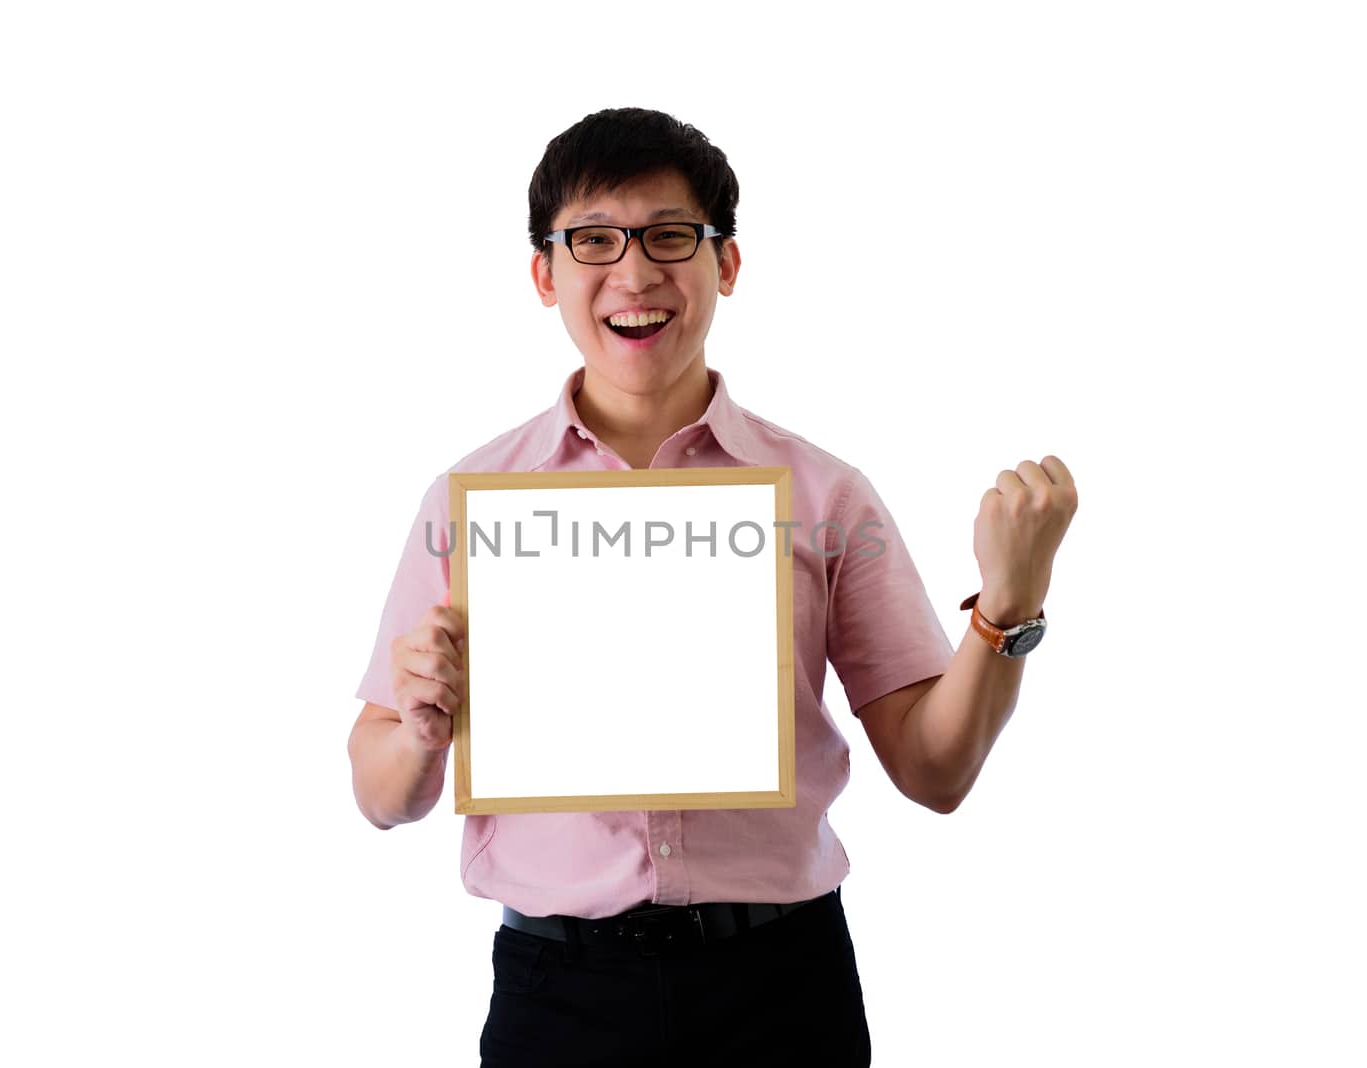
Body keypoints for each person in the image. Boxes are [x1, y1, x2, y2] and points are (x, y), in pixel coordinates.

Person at [347, 107, 1077, 1068]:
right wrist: (421, 733)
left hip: (780, 988)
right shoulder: (472, 502)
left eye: (670, 237)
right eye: (594, 240)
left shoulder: (825, 495)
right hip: (559, 995)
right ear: (545, 274)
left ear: (725, 265)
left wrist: (1007, 605)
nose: (635, 273)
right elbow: (378, 791)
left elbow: (933, 772)